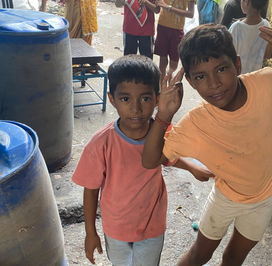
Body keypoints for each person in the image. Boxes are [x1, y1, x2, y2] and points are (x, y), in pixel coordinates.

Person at [142, 24, 272, 266]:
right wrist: (163, 117)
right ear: (191, 83)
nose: (214, 83)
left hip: (266, 197)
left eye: (221, 69)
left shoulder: (271, 83)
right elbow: (150, 160)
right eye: (201, 76)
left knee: (234, 259)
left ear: (237, 65)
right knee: (199, 255)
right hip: (226, 197)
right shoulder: (196, 123)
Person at [72, 55, 214, 265]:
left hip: (152, 225)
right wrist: (90, 232)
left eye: (145, 99)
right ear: (112, 99)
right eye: (126, 99)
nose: (136, 108)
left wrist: (192, 167)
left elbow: (167, 157)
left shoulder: (161, 132)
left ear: (157, 99)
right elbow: (91, 190)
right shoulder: (101, 143)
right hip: (116, 227)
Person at [229, 0, 272, 74]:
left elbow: (227, 55)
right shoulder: (266, 26)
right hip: (255, 79)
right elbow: (268, 55)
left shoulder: (236, 28)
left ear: (246, 1)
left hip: (238, 79)